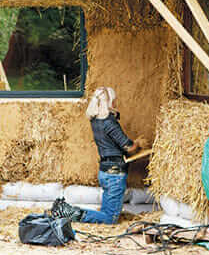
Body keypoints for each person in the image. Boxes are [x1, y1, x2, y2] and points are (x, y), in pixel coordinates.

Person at [51, 87, 145, 224]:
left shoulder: (95, 121)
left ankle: (65, 210)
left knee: (105, 213)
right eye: (114, 100)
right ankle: (68, 212)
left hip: (105, 171)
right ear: (110, 102)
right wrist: (138, 143)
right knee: (110, 218)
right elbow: (128, 146)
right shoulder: (109, 122)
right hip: (115, 173)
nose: (116, 103)